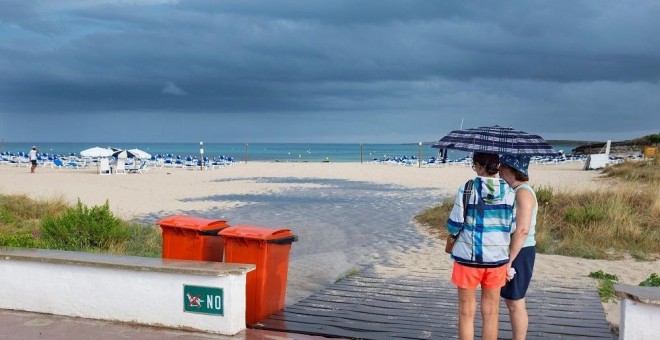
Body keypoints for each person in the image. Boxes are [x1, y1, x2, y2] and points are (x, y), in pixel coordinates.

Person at [447, 152, 516, 340]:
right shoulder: (510, 192)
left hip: (468, 260)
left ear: (478, 166)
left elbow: (454, 225)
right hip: (497, 260)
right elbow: (513, 227)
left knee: (466, 312)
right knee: (492, 313)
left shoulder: (467, 189)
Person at [498, 154, 536, 340]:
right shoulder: (514, 191)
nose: (499, 168)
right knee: (510, 300)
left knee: (515, 300)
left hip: (520, 251)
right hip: (514, 249)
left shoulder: (523, 193)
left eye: (502, 165)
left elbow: (522, 230)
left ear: (512, 169)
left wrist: (509, 260)